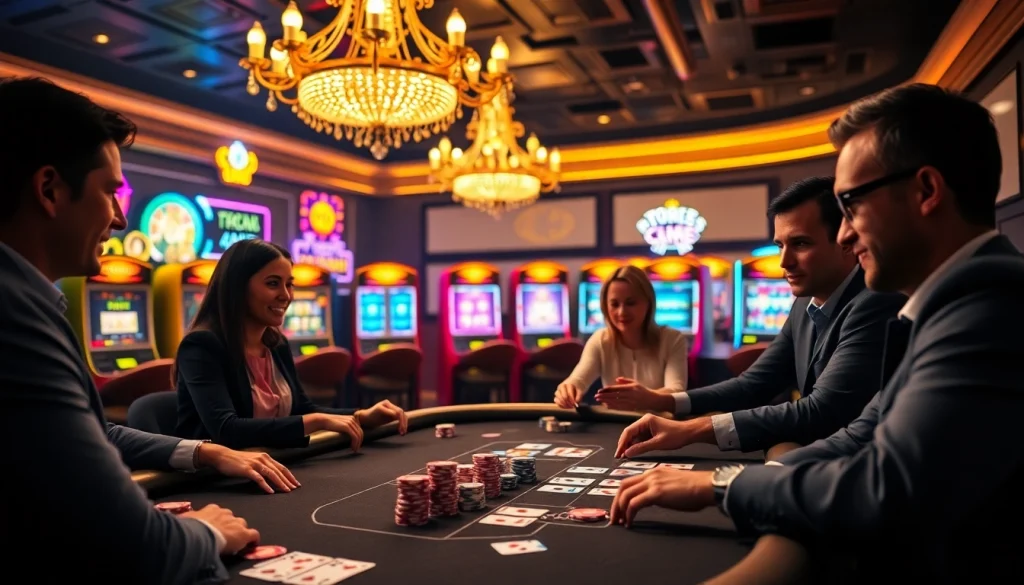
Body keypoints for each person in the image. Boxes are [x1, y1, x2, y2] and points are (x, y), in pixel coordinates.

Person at [610, 83, 1024, 582]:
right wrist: (733, 475)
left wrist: (719, 486)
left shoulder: (991, 308)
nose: (845, 234)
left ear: (926, 192)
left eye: (851, 206)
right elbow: (863, 432)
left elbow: (883, 487)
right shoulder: (953, 303)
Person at [0, 76, 299, 584]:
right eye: (110, 192)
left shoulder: (33, 303)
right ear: (49, 190)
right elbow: (132, 546)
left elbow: (96, 432)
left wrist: (204, 451)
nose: (120, 219)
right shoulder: (14, 316)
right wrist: (206, 532)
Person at [600, 177, 905, 456]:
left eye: (800, 244)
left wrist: (692, 430)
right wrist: (663, 401)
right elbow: (754, 385)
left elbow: (822, 411)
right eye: (780, 245)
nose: (784, 262)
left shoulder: (875, 302)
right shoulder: (804, 303)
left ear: (846, 242)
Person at [174, 239, 409, 450]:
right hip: (213, 477)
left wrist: (361, 416)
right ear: (238, 287)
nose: (286, 295)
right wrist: (316, 421)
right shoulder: (201, 346)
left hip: (273, 464)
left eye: (289, 284)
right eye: (273, 283)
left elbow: (302, 409)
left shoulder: (276, 344)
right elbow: (226, 430)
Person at [553, 265, 689, 409]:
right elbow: (577, 380)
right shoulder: (601, 340)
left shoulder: (672, 339)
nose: (622, 312)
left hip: (660, 421)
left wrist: (645, 398)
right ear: (605, 307)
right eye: (615, 304)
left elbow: (677, 392)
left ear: (648, 303)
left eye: (630, 303)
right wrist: (567, 390)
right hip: (615, 422)